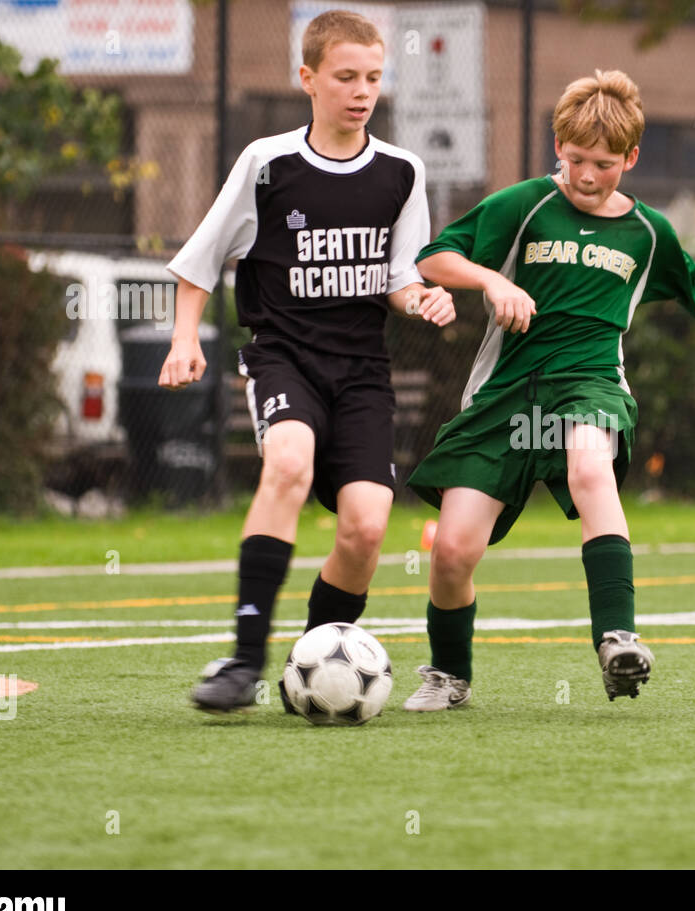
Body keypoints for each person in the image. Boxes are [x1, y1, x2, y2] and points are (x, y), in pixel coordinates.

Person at [402, 69, 695, 710]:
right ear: (558, 147)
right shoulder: (523, 204)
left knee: (593, 470)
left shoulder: (648, 233)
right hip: (506, 395)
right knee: (451, 551)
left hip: (590, 383)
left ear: (632, 158)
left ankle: (616, 637)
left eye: (606, 165)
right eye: (577, 160)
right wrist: (492, 282)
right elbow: (433, 259)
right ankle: (450, 674)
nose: (588, 177)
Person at [158, 10, 455, 712]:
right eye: (346, 77)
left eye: (373, 78)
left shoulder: (401, 172)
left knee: (367, 527)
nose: (361, 91)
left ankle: (316, 662)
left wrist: (425, 301)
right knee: (287, 465)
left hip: (362, 373)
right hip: (283, 359)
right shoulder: (267, 165)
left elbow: (401, 278)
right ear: (309, 78)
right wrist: (182, 340)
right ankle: (243, 659)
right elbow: (199, 263)